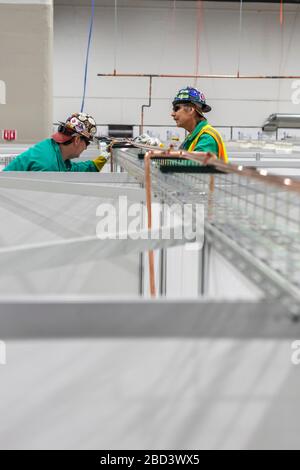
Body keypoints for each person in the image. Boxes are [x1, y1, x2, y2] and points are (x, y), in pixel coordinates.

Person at [3, 112, 108, 172]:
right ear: (77, 140)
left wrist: (94, 165)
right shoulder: (48, 164)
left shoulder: (54, 150)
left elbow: (70, 170)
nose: (86, 148)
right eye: (87, 143)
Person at [171, 86, 228, 162]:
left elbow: (195, 167)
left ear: (191, 110)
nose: (172, 114)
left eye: (176, 109)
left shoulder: (207, 138)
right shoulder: (192, 137)